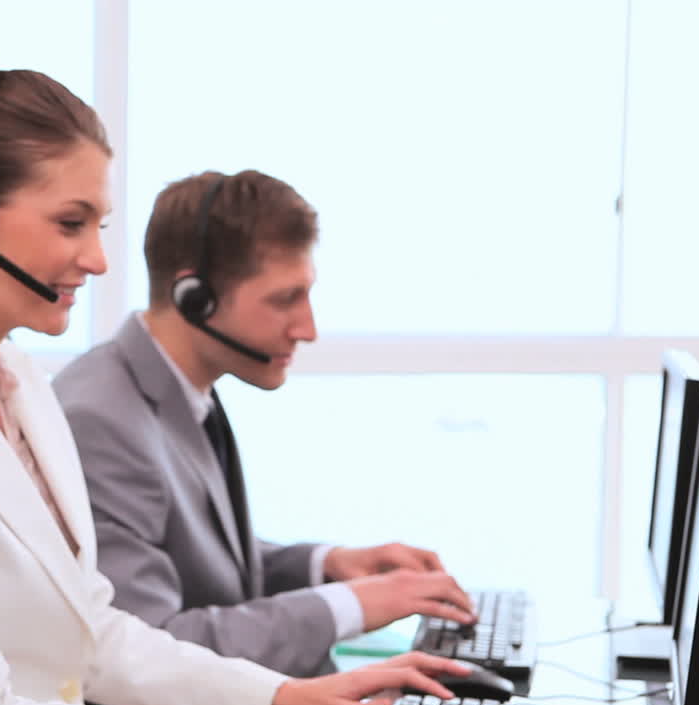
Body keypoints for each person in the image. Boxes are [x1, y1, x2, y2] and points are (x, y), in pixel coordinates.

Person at [0, 42, 467, 705]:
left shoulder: (24, 386)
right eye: (71, 223)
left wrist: (284, 699)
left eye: (100, 226)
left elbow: (97, 636)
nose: (96, 260)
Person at [52, 170, 477, 678]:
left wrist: (328, 565)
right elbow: (150, 648)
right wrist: (350, 605)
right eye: (283, 300)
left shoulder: (177, 388)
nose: (308, 329)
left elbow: (195, 561)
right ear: (195, 298)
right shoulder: (101, 420)